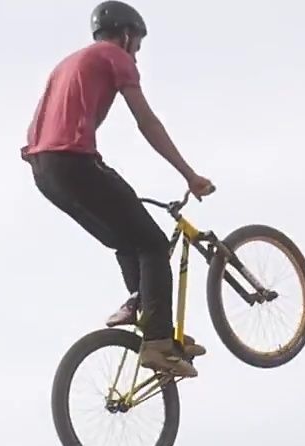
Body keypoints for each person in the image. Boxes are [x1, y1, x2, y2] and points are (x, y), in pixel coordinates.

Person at [21, 2, 215, 378]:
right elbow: (147, 122)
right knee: (155, 244)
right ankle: (158, 342)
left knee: (127, 239)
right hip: (75, 162)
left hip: (44, 173)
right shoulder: (115, 56)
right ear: (127, 36)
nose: (137, 58)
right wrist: (188, 174)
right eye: (137, 47)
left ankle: (144, 310)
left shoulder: (67, 64)